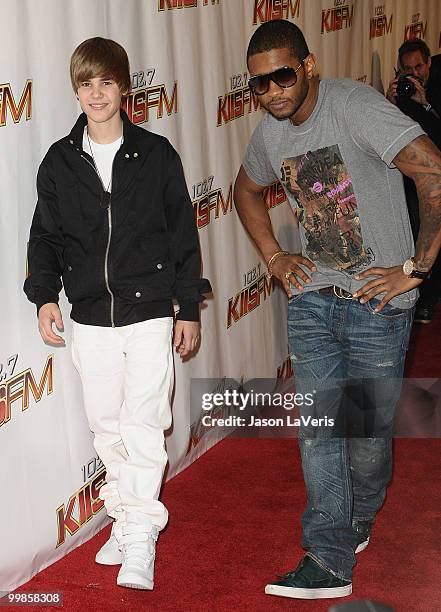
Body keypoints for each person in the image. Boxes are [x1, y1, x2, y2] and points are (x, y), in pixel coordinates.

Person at [234, 20, 441, 600]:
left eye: (282, 75)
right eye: (259, 84)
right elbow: (244, 191)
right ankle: (328, 554)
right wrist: (275, 258)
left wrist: (415, 268)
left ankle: (361, 513)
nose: (272, 91)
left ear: (308, 64)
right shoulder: (271, 134)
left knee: (368, 440)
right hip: (312, 303)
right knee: (321, 431)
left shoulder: (355, 107)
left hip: (378, 304)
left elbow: (433, 173)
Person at [24, 37, 211, 591]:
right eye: (87, 83)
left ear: (125, 88)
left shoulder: (156, 156)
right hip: (90, 318)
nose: (96, 94)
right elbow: (46, 236)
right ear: (76, 90)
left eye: (107, 82)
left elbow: (182, 234)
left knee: (145, 425)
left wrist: (188, 307)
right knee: (107, 427)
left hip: (151, 312)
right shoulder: (60, 161)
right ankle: (126, 518)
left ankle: (140, 539)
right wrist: (44, 296)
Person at [386, 38, 441, 324]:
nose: (414, 74)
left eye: (418, 66)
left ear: (429, 63)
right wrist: (388, 102)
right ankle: (419, 294)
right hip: (409, 179)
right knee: (415, 230)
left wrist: (426, 103)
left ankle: (430, 296)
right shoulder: (398, 95)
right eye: (407, 69)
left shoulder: (436, 90)